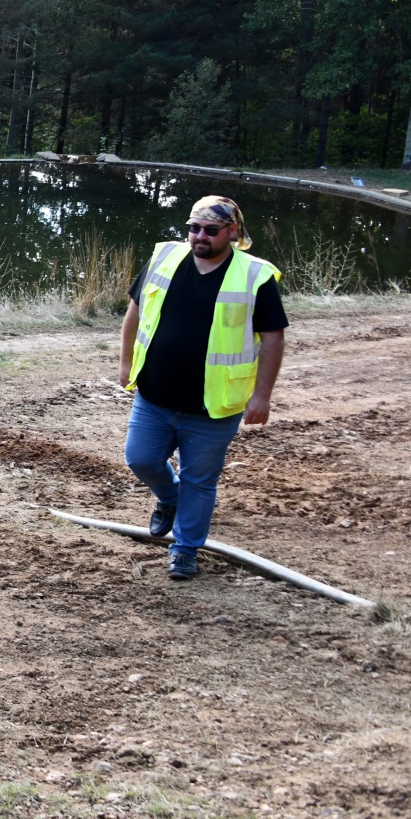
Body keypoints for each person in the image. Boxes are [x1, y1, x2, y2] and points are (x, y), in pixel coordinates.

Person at [120, 195, 288, 581]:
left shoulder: (254, 275)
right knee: (141, 459)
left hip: (214, 406)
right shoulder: (164, 258)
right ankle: (168, 497)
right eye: (193, 228)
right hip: (155, 395)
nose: (200, 236)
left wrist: (262, 396)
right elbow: (135, 312)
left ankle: (184, 550)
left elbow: (273, 337)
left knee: (200, 480)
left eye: (211, 230)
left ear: (232, 232)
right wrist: (126, 362)